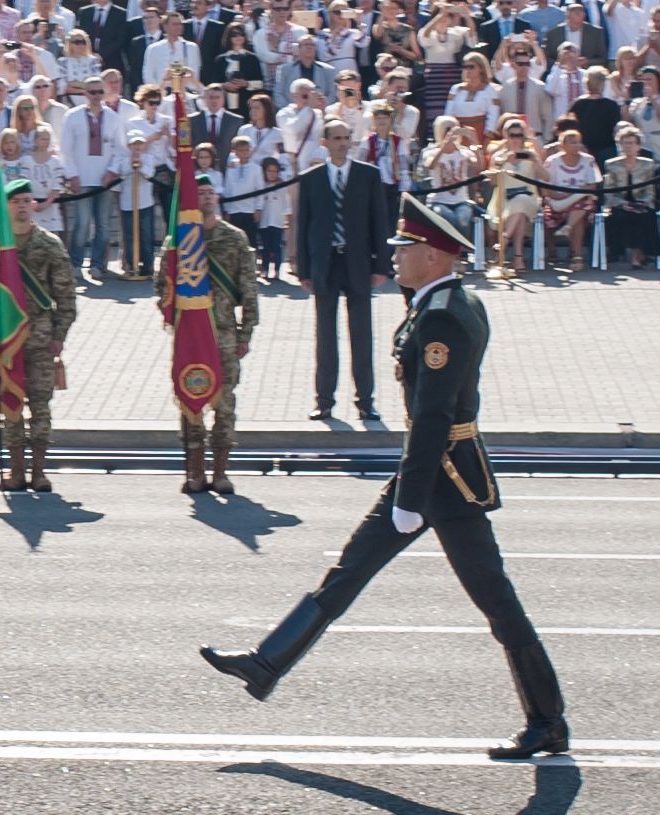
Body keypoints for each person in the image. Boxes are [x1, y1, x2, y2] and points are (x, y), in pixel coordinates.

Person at [200, 196, 571, 759]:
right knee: (347, 571)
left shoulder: (443, 314)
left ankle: (548, 720)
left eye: (405, 249)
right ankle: (267, 663)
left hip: (443, 479)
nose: (395, 257)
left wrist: (411, 498)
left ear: (433, 255)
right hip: (428, 470)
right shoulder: (448, 299)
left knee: (496, 601)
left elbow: (432, 416)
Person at [293, 119, 391, 422]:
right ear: (325, 142)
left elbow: (379, 222)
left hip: (357, 262)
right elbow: (303, 225)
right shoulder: (311, 179)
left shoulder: (368, 176)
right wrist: (303, 270)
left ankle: (365, 401)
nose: (342, 143)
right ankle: (324, 401)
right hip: (326, 264)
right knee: (326, 337)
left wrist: (381, 265)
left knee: (362, 335)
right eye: (336, 138)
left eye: (347, 138)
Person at [179, 185, 260, 497]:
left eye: (211, 192)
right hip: (191, 340)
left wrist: (246, 332)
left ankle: (221, 472)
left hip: (224, 336)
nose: (207, 197)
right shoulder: (181, 240)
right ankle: (195, 473)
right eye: (199, 192)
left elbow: (249, 288)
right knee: (190, 402)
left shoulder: (235, 238)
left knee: (224, 406)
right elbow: (165, 287)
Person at [3, 180, 78, 492]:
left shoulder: (48, 244)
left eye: (26, 200)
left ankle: (39, 470)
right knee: (10, 404)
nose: (22, 205)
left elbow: (66, 296)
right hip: (8, 342)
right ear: (6, 206)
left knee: (40, 405)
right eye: (16, 201)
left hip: (41, 339)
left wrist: (59, 334)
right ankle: (16, 470)